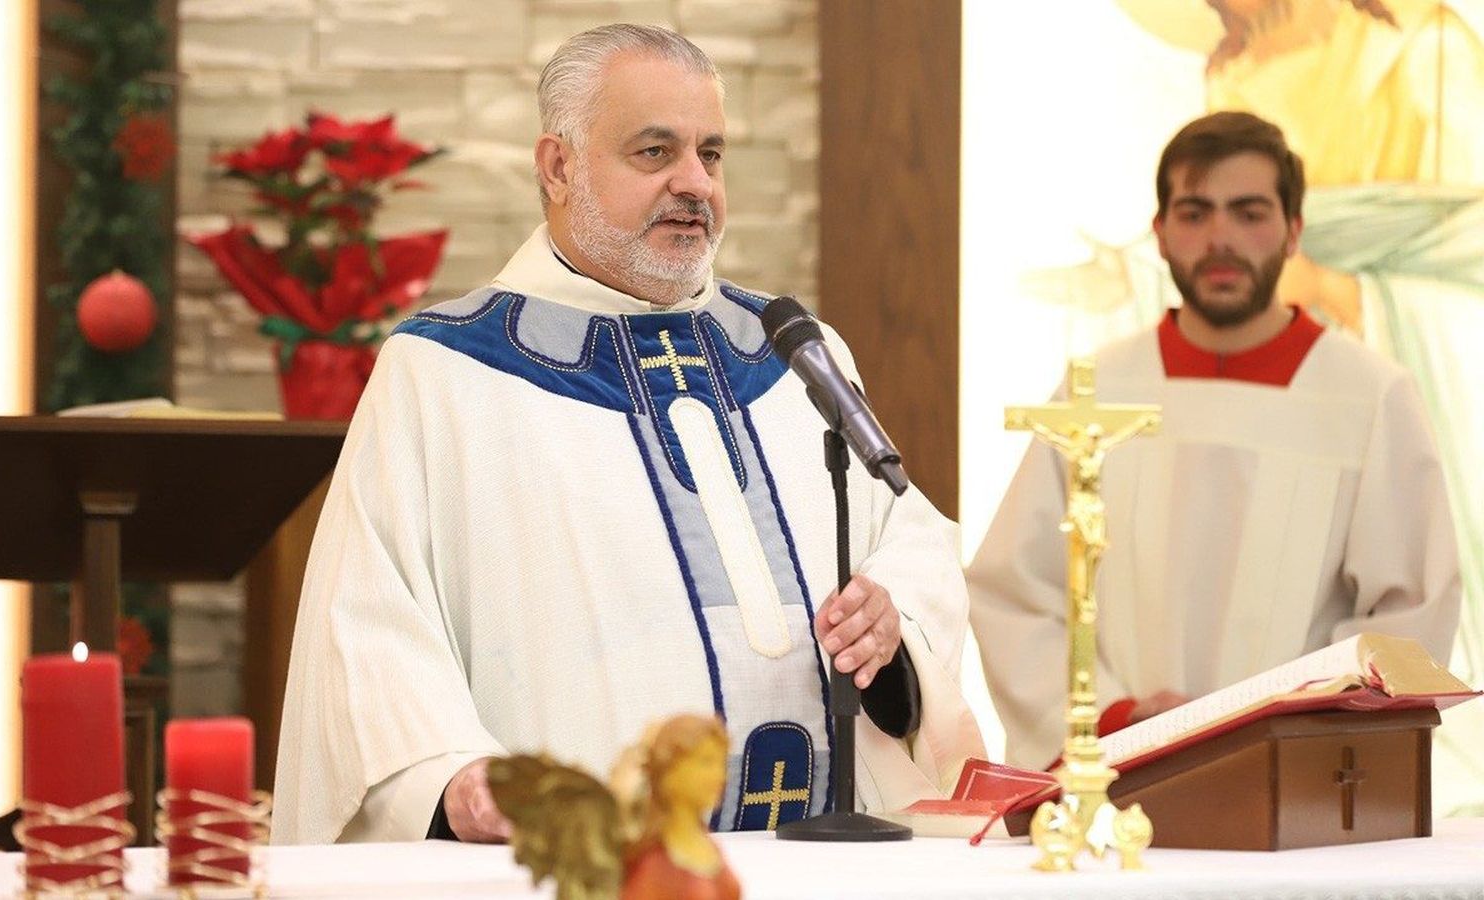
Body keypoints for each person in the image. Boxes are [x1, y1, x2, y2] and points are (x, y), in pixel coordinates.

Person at [272, 24, 985, 844]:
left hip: (825, 862)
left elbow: (910, 540)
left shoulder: (794, 354)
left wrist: (892, 633)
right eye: (655, 153)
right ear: (557, 166)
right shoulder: (446, 372)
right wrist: (448, 774)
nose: (695, 185)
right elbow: (366, 625)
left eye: (711, 155)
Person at [968, 111, 1462, 770]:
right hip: (1119, 775)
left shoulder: (1369, 396)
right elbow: (1015, 596)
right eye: (1195, 213)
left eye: (1249, 212)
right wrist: (1115, 719)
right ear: (1161, 233)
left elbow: (1408, 620)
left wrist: (1270, 727)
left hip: (1294, 783)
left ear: (1293, 232)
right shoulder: (1099, 391)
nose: (1220, 238)